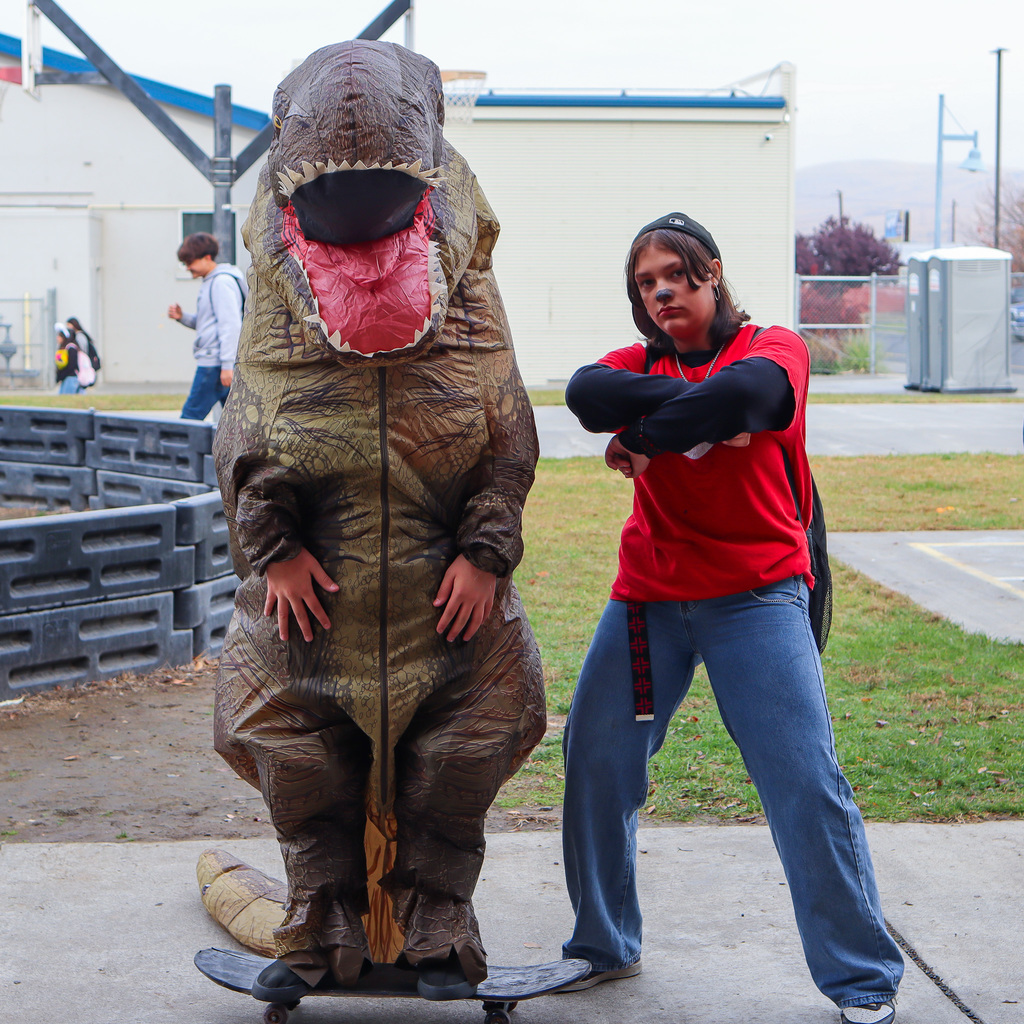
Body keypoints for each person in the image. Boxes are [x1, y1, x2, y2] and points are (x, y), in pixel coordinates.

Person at [211, 41, 545, 1005]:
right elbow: (250, 436)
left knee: (473, 736)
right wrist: (273, 551)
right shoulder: (280, 288)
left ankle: (439, 924)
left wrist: (487, 552)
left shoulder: (465, 284)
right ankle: (320, 919)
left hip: (448, 601)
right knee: (288, 742)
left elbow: (506, 435)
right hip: (315, 602)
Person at [558, 212, 904, 1024]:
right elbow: (584, 394)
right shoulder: (637, 360)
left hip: (757, 597)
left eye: (675, 275)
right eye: (645, 283)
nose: (661, 293)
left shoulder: (774, 347)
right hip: (648, 596)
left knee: (803, 781)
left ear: (711, 273)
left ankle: (862, 979)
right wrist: (700, 414)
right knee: (596, 760)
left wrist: (648, 433)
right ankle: (604, 944)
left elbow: (753, 395)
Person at [167, 231, 247, 421]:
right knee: (235, 422)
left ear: (207, 258)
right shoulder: (212, 281)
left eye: (190, 262)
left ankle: (180, 443)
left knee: (190, 418)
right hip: (219, 363)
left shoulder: (221, 283)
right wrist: (182, 317)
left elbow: (230, 326)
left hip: (214, 364)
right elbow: (209, 325)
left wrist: (227, 366)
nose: (187, 268)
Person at [54, 322, 84, 394]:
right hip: (66, 378)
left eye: (59, 336)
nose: (57, 338)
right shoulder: (63, 349)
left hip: (71, 378)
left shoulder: (71, 348)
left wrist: (61, 376)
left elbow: (71, 366)